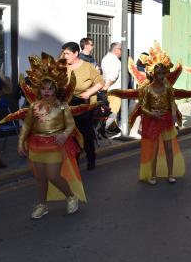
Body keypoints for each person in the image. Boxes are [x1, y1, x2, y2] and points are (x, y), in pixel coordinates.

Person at [17, 52, 86, 219]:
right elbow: (27, 125)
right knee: (40, 178)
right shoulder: (34, 106)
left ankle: (71, 196)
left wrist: (64, 135)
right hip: (36, 145)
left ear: (56, 89)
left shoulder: (62, 106)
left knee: (53, 176)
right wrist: (21, 143)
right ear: (39, 89)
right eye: (43, 88)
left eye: (50, 88)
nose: (46, 91)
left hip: (55, 144)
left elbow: (70, 124)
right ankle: (42, 205)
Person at [139, 46, 185, 184]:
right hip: (153, 120)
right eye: (158, 73)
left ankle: (170, 174)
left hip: (166, 120)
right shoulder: (147, 89)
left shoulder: (167, 87)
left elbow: (172, 102)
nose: (160, 76)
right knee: (154, 148)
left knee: (169, 148)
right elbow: (143, 107)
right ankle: (152, 175)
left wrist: (173, 116)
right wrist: (152, 114)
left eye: (162, 73)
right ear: (153, 74)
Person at [62, 41, 104, 170]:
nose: (65, 56)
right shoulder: (63, 67)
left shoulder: (87, 67)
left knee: (85, 134)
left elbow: (100, 82)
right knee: (70, 134)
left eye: (68, 53)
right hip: (67, 104)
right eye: (64, 53)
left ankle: (91, 158)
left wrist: (88, 93)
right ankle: (74, 162)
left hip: (83, 104)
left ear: (76, 53)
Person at [100, 42, 122, 136]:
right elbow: (114, 77)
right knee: (113, 111)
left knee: (109, 110)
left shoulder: (105, 58)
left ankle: (113, 128)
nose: (121, 52)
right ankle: (102, 129)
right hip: (114, 89)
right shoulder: (115, 60)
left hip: (108, 88)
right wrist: (107, 85)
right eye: (121, 50)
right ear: (116, 49)